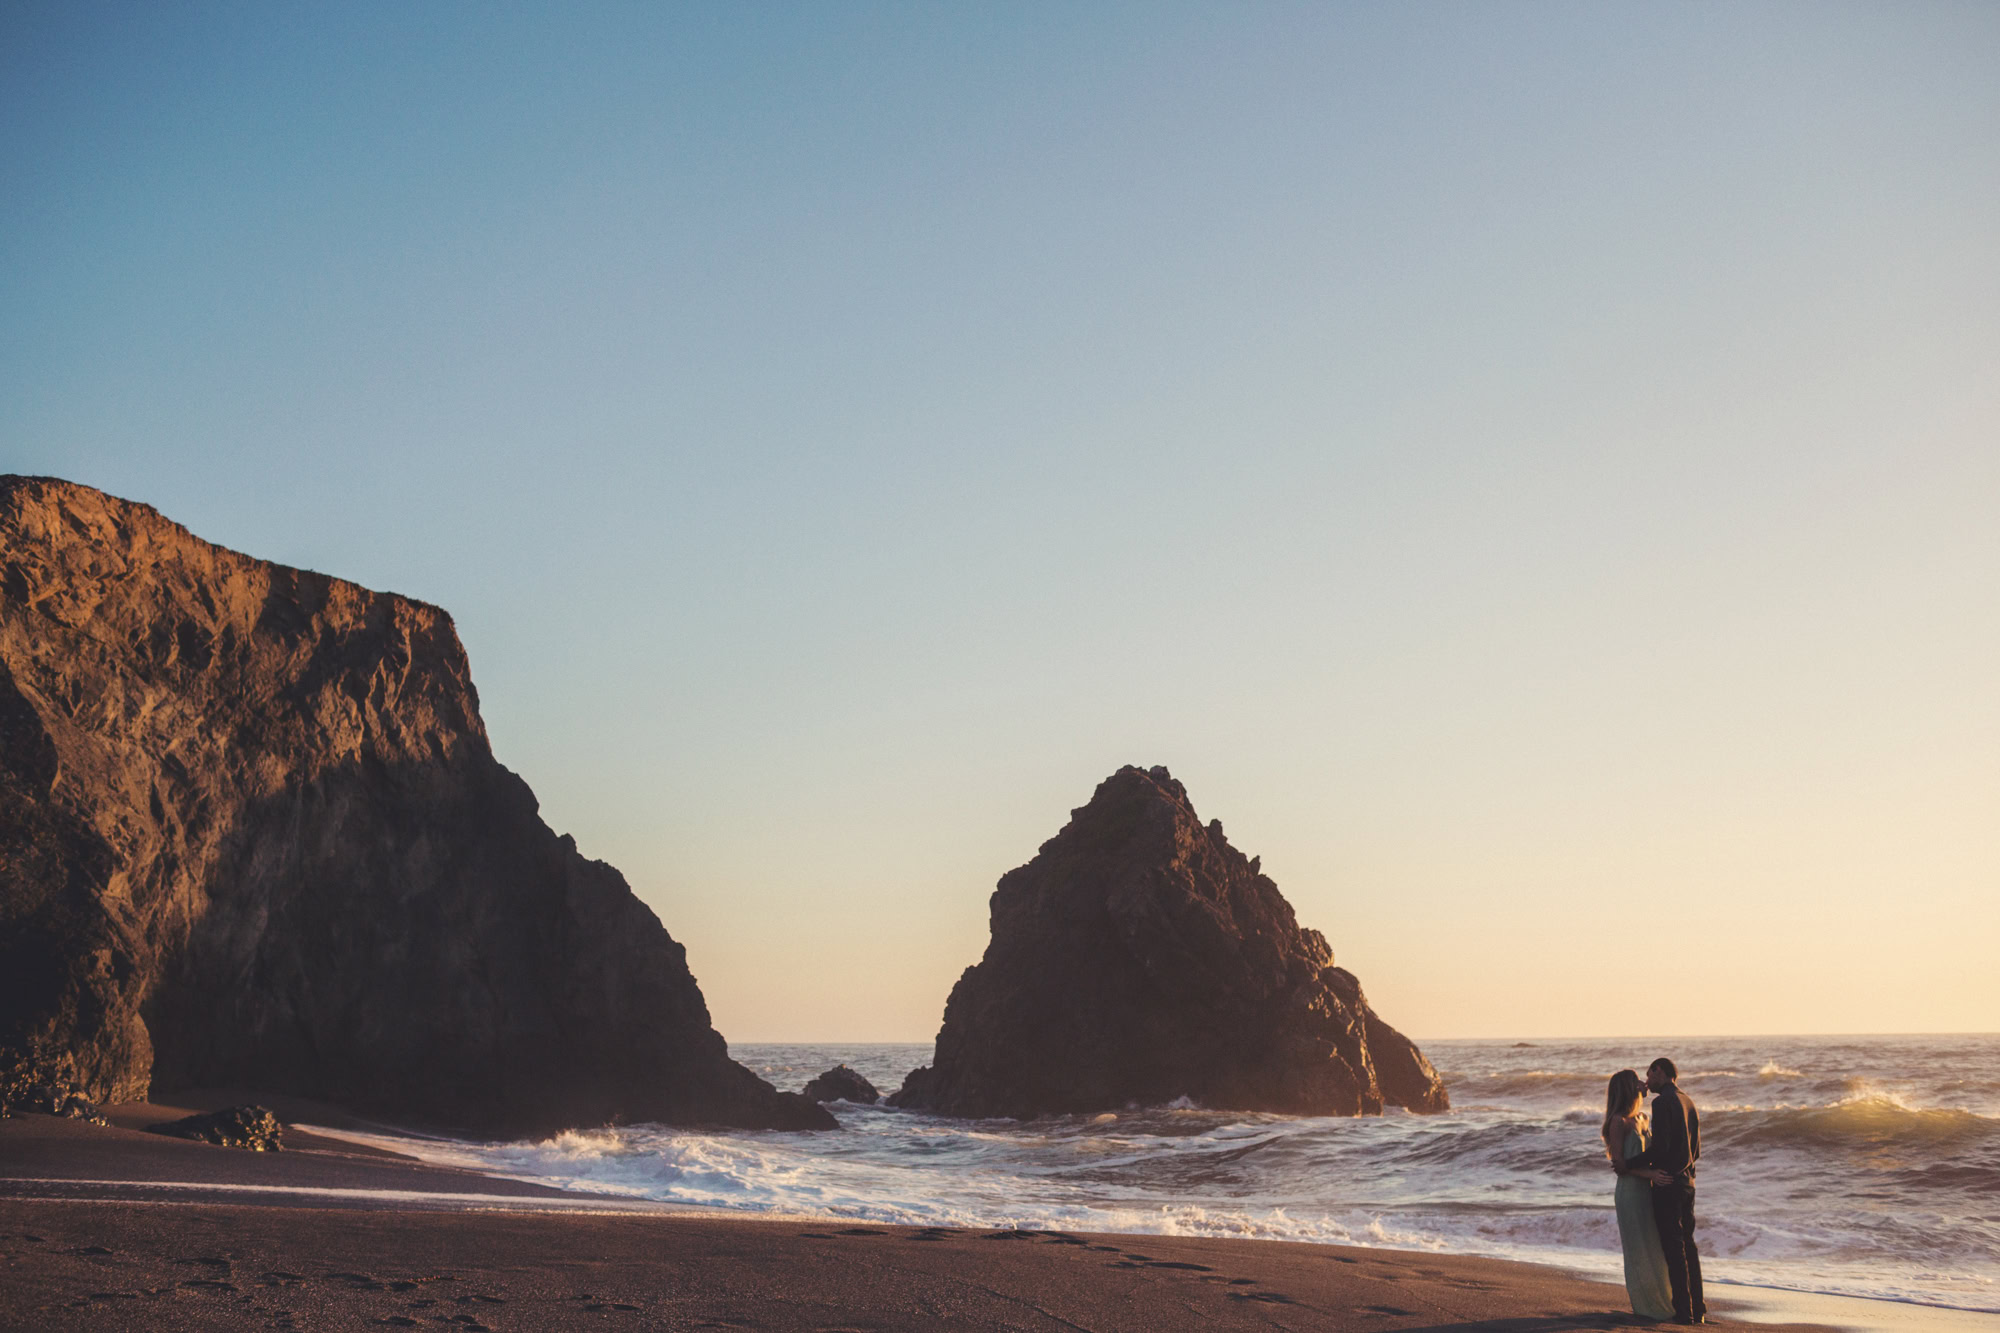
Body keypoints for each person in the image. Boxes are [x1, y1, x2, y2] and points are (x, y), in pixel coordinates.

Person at [1614, 1057, 1706, 1325]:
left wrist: (1629, 1164)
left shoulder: (1662, 1102)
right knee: (1689, 1245)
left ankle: (1683, 1311)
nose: (1647, 1080)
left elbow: (1660, 1149)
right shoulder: (1688, 1100)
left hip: (1669, 1184)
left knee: (1673, 1248)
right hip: (1689, 1182)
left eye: (1649, 1073)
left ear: (1660, 1071)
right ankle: (1698, 1308)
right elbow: (1696, 1150)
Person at [1602, 1069, 1675, 1320]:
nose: (1643, 1082)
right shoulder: (1618, 1122)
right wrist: (1651, 1176)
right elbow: (1621, 1167)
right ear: (1627, 1088)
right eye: (1636, 1080)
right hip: (1630, 1193)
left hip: (1647, 1192)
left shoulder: (1644, 1117)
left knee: (1654, 1245)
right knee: (1638, 1248)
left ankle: (1665, 1301)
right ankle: (1646, 1306)